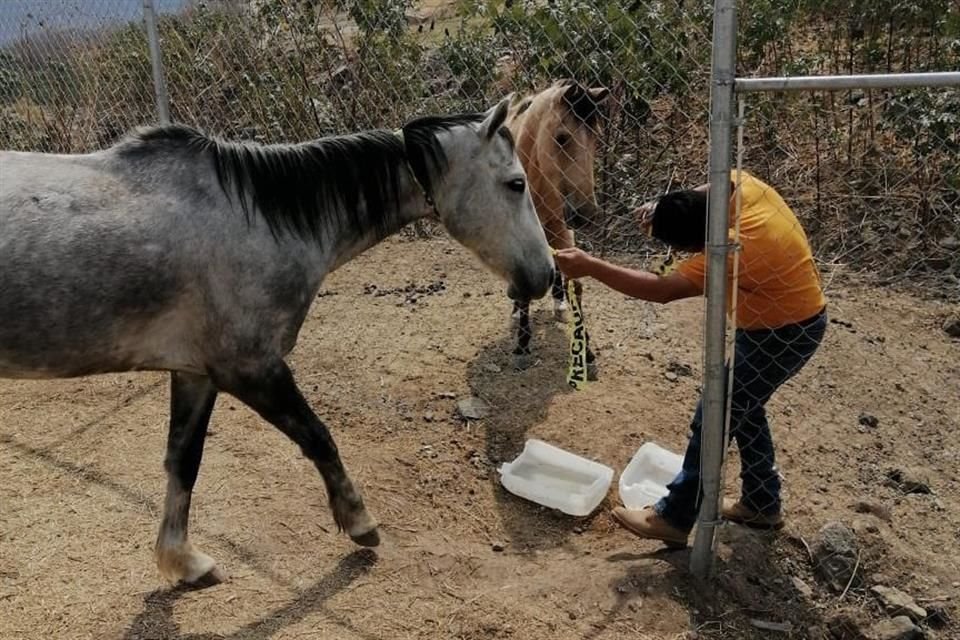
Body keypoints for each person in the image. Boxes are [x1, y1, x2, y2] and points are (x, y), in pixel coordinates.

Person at [554, 170, 827, 547]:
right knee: (743, 407)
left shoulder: (734, 249)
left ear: (703, 246)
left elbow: (662, 289)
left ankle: (675, 517)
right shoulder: (742, 189)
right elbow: (711, 187)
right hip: (779, 320)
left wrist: (591, 266)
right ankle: (761, 503)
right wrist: (662, 208)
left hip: (785, 333)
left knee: (715, 414)